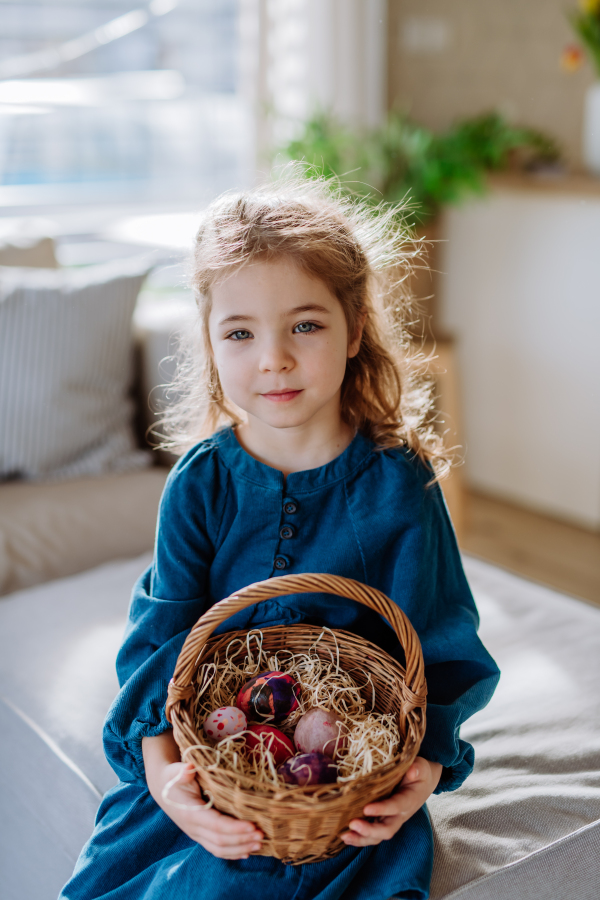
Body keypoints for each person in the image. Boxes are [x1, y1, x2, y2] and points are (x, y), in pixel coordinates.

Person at [60, 171, 500, 900]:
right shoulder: (201, 485)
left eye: (305, 324)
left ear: (355, 327)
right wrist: (170, 782)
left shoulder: (400, 485)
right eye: (240, 332)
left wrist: (424, 766)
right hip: (208, 757)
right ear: (208, 339)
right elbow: (158, 641)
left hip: (345, 785)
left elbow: (441, 638)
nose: (274, 358)